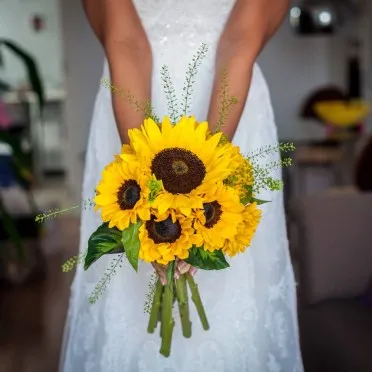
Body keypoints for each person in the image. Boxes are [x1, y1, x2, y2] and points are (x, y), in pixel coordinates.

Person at [60, 1, 304, 371]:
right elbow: (125, 40)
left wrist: (205, 193)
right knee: (127, 298)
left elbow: (241, 37)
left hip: (230, 103)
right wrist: (148, 195)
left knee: (236, 296)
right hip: (131, 104)